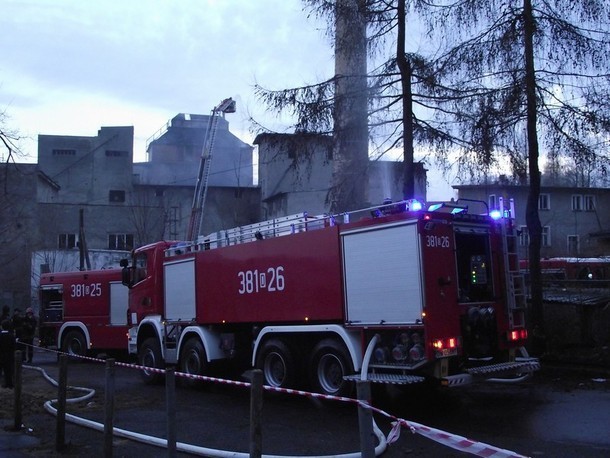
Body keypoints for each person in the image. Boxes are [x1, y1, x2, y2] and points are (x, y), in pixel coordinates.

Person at [0, 319, 15, 388]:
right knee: (8, 371)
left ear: (1, 327)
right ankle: (9, 384)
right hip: (9, 356)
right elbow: (13, 346)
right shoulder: (11, 336)